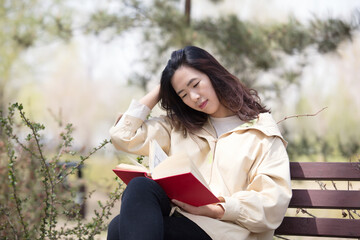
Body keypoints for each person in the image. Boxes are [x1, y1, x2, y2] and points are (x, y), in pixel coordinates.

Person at [107, 46, 292, 240]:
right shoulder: (179, 127)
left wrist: (218, 209)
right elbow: (123, 135)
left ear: (213, 74)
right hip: (182, 221)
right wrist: (164, 86)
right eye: (183, 94)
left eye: (195, 84)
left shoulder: (261, 133)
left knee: (120, 228)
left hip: (226, 232)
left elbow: (272, 204)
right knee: (139, 188)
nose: (194, 97)